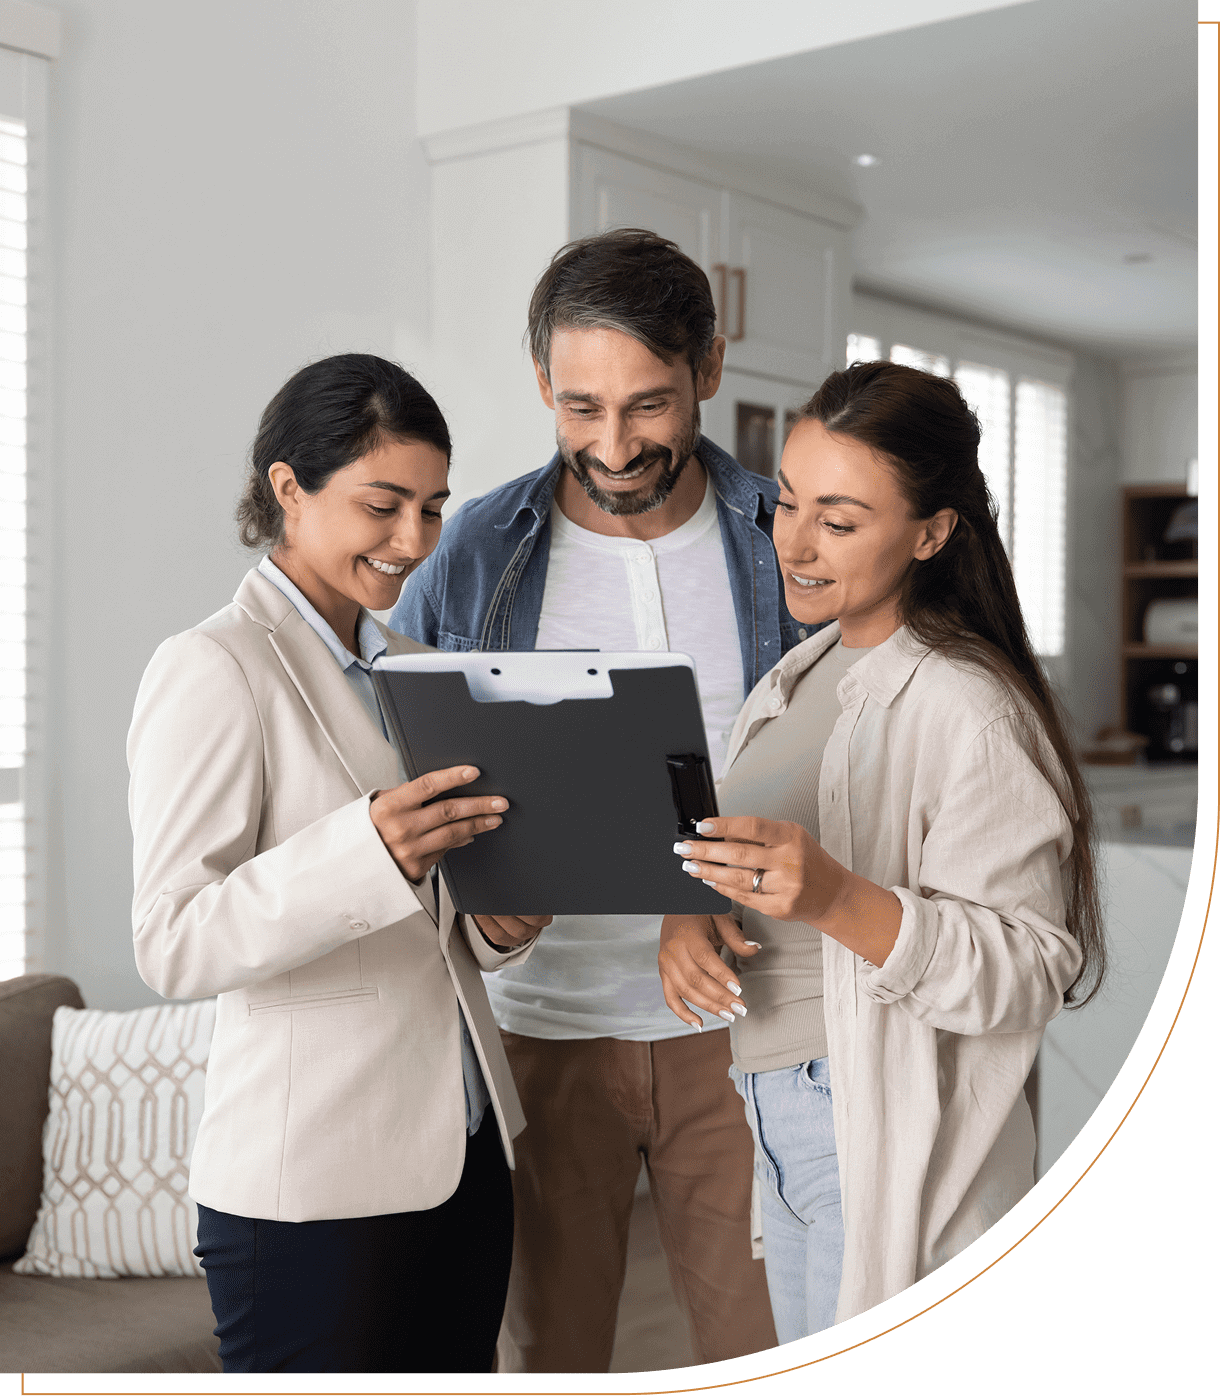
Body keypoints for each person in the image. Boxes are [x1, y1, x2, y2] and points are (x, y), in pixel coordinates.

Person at [391, 228, 799, 1371]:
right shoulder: (473, 550)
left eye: (647, 405)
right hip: (545, 1034)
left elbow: (847, 765)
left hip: (744, 1028)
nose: (611, 446)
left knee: (757, 1337)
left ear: (707, 370)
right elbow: (403, 772)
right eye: (579, 408)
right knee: (548, 1352)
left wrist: (709, 882)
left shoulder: (785, 543)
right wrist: (480, 909)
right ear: (541, 387)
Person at [658, 360, 1105, 1341]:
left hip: (868, 1123)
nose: (796, 544)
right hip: (775, 1113)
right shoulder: (794, 678)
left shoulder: (968, 707)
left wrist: (832, 897)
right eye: (785, 505)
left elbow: (1030, 968)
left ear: (930, 531)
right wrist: (691, 912)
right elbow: (748, 868)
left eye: (840, 519)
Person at [127, 353, 550, 1374]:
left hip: (463, 1154)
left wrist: (493, 924)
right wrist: (364, 848)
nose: (413, 541)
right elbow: (171, 939)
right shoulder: (214, 666)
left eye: (433, 507)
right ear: (287, 489)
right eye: (382, 504)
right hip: (311, 1183)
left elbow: (429, 905)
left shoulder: (415, 672)